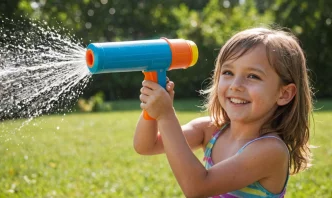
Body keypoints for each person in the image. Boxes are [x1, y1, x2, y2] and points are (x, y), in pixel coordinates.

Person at [134, 27, 313, 198]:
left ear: (284, 94)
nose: (235, 85)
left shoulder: (270, 150)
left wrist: (166, 115)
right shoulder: (210, 129)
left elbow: (197, 188)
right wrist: (152, 108)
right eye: (228, 72)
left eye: (253, 76)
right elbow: (146, 145)